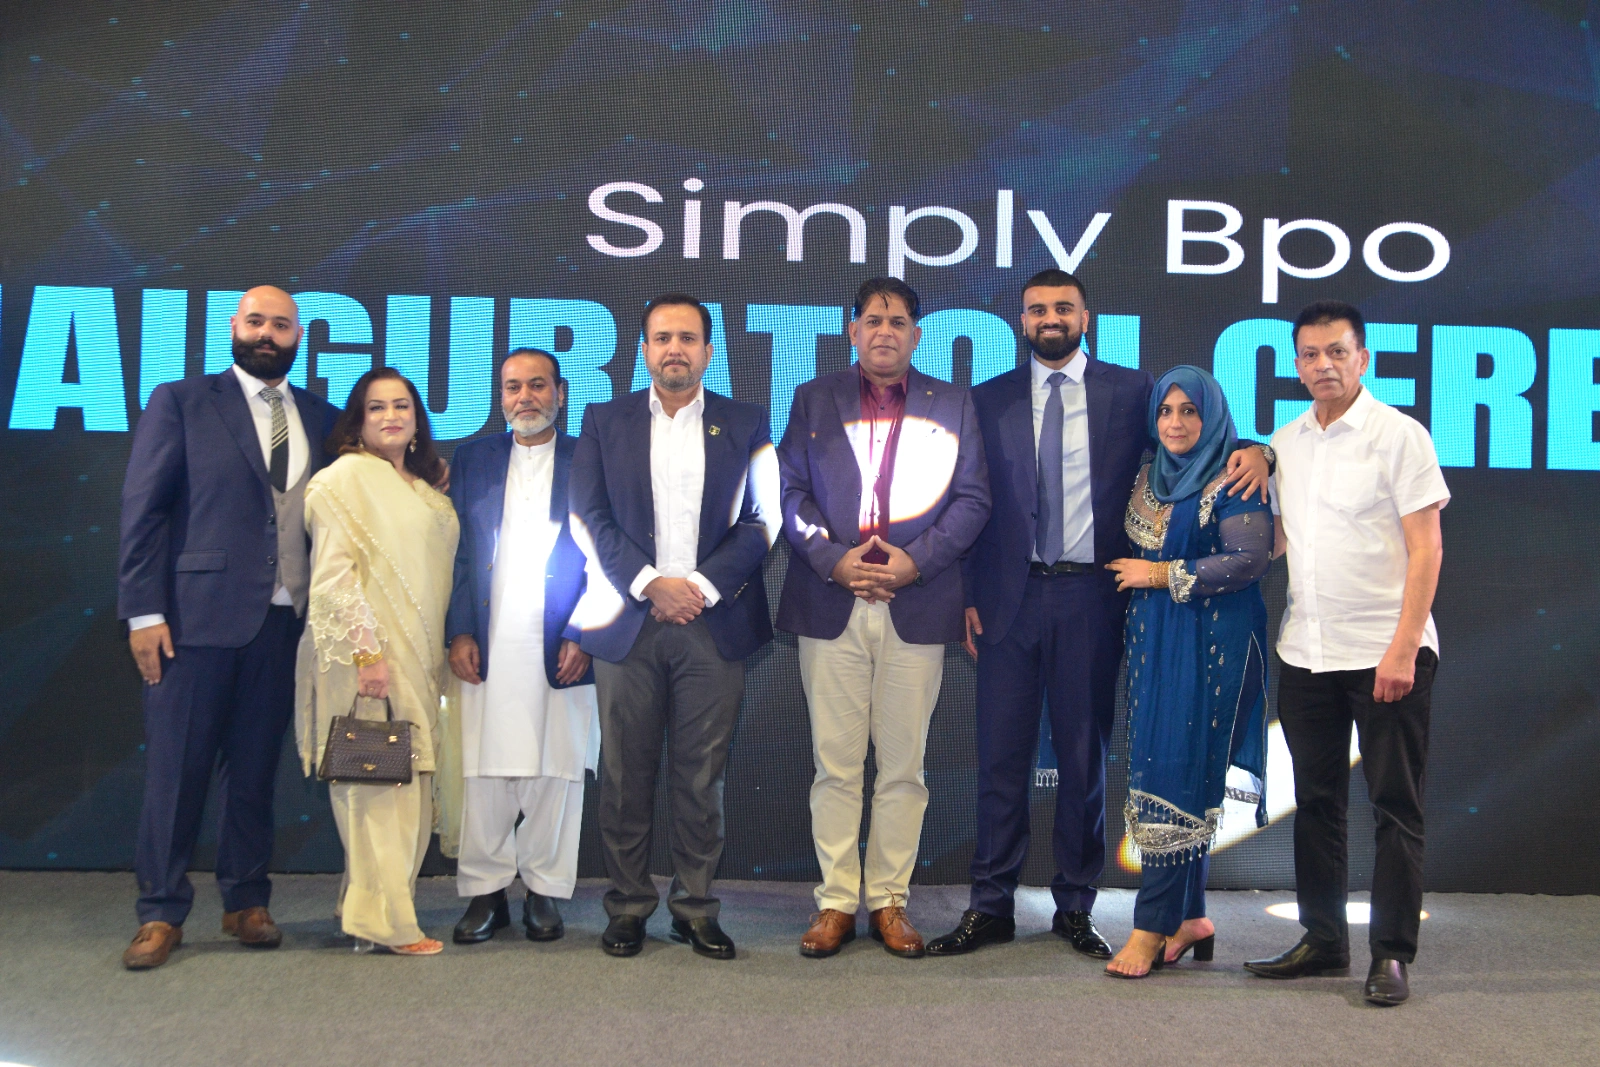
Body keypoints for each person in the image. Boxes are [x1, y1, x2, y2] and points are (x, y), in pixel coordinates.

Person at [930, 269, 1271, 959]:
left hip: (1093, 596)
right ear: (1022, 321)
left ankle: (1075, 906)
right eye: (1037, 309)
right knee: (1000, 759)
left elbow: (1197, 434)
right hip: (1007, 600)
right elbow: (967, 497)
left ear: (1086, 317)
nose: (1050, 318)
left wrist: (1261, 451)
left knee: (1084, 760)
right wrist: (966, 592)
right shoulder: (987, 398)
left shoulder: (1132, 390)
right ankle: (989, 904)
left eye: (1063, 307)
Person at [117, 286, 340, 970]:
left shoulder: (323, 417)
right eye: (256, 321)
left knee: (253, 771)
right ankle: (160, 910)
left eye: (282, 324)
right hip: (193, 622)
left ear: (299, 336)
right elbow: (144, 510)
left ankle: (246, 899)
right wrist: (144, 612)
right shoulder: (182, 401)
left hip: (284, 624)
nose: (267, 333)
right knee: (176, 773)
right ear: (234, 327)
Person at [776, 277, 991, 959]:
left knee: (904, 767)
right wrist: (833, 560)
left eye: (898, 321)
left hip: (916, 603)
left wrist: (914, 562)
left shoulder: (954, 402)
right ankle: (837, 901)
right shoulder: (813, 398)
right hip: (832, 600)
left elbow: (973, 499)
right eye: (873, 320)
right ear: (853, 330)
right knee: (835, 766)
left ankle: (889, 900)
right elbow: (790, 492)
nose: (885, 332)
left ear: (916, 335)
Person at [1245, 301, 1447, 1007]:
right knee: (1317, 802)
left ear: (1363, 358)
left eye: (1337, 352)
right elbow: (1279, 540)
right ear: (1296, 364)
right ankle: (1324, 939)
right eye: (1310, 354)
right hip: (1307, 652)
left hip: (1386, 653)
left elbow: (1427, 548)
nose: (1323, 365)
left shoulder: (1400, 435)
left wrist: (1403, 649)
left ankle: (1391, 954)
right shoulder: (1287, 441)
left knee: (1395, 807)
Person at [570, 293, 780, 961]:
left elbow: (764, 517)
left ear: (709, 351)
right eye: (662, 337)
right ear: (643, 350)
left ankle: (695, 907)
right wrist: (649, 583)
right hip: (627, 622)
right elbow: (588, 515)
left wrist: (700, 587)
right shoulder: (604, 420)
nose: (674, 349)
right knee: (624, 776)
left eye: (688, 338)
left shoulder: (746, 421)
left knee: (701, 777)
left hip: (712, 624)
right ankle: (628, 906)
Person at [1101, 366, 1271, 977]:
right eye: (1166, 411)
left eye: (1189, 411)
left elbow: (1247, 558)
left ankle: (1150, 927)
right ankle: (1191, 916)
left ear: (1212, 415)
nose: (1175, 423)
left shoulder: (1235, 475)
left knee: (1175, 771)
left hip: (1208, 643)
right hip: (1155, 639)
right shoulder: (1148, 474)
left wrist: (1158, 574)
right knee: (1168, 765)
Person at [293, 368, 459, 956]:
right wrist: (368, 655)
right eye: (376, 407)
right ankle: (389, 924)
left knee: (404, 786)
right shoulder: (344, 480)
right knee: (377, 788)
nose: (391, 416)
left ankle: (367, 912)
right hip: (369, 659)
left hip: (422, 659)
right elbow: (333, 580)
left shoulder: (422, 487)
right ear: (358, 420)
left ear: (417, 418)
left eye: (402, 406)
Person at [445, 348, 599, 945]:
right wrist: (460, 630)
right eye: (513, 387)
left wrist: (584, 631)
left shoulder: (591, 456)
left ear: (561, 392)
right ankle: (485, 892)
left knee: (556, 766)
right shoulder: (474, 458)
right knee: (483, 768)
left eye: (537, 385)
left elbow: (608, 553)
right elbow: (459, 553)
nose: (525, 398)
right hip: (489, 637)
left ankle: (543, 890)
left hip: (562, 638)